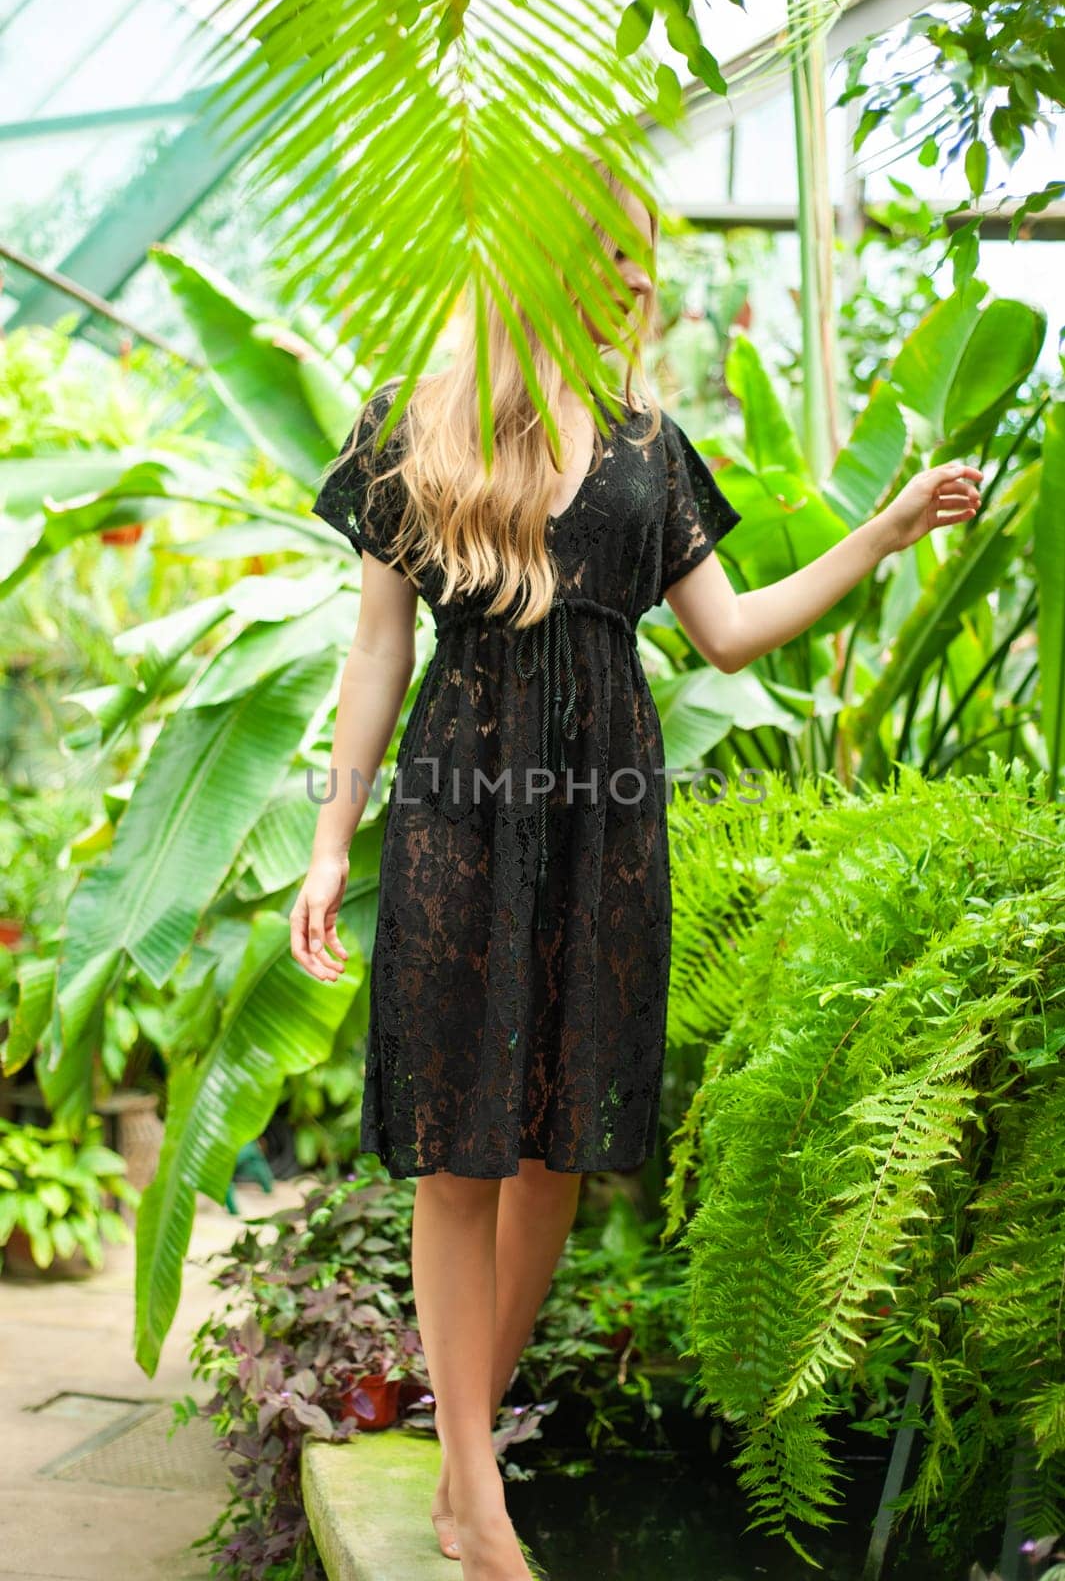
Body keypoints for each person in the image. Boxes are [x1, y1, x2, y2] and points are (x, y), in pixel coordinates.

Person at [290, 158, 983, 1581]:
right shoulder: (411, 431)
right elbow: (377, 652)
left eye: (636, 256)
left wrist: (885, 528)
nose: (624, 276)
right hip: (459, 816)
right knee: (459, 1149)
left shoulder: (645, 448)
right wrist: (325, 838)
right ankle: (474, 1492)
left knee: (557, 1149)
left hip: (604, 836)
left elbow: (728, 632)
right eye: (598, 250)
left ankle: (460, 1453)